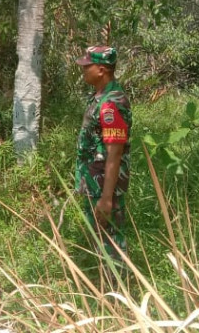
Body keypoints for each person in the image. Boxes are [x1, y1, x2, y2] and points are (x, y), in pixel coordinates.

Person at [75, 45, 132, 261]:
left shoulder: (111, 104)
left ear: (101, 70)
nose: (83, 69)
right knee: (101, 240)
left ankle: (116, 291)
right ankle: (104, 290)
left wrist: (107, 198)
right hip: (94, 182)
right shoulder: (99, 97)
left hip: (103, 186)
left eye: (87, 66)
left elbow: (115, 153)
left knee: (111, 245)